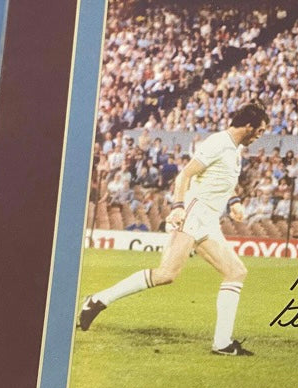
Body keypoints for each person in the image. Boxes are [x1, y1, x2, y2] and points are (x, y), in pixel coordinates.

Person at [78, 102, 270, 356]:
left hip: (208, 220)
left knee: (236, 272)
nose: (260, 136)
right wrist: (178, 207)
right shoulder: (217, 143)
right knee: (166, 274)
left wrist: (234, 202)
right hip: (192, 215)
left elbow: (221, 180)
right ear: (248, 126)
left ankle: (222, 343)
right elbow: (184, 176)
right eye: (260, 130)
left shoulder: (234, 150)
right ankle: (97, 300)